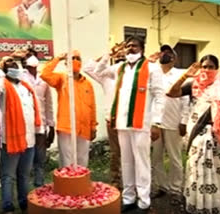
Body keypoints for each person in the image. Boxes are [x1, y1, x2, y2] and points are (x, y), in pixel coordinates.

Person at [100, 36, 165, 213]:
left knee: (141, 162)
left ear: (142, 49)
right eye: (128, 46)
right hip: (122, 123)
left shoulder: (152, 68)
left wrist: (156, 123)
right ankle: (128, 198)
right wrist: (109, 54)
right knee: (126, 162)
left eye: (134, 46)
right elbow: (98, 71)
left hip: (142, 123)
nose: (130, 49)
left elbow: (160, 96)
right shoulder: (120, 68)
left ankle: (143, 202)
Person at [167, 55, 220, 214]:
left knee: (216, 172)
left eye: (210, 67)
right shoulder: (194, 84)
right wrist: (184, 76)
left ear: (216, 68)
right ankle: (196, 205)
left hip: (218, 137)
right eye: (204, 66)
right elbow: (171, 93)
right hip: (197, 135)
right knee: (196, 169)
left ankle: (214, 206)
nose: (207, 70)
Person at [0, 56, 41, 214]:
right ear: (3, 68)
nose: (12, 63)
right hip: (10, 140)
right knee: (8, 176)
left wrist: (40, 132)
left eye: (14, 61)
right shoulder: (2, 85)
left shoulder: (26, 86)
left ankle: (24, 203)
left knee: (24, 175)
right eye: (7, 62)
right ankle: (8, 206)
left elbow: (33, 111)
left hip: (29, 139)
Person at [40, 50, 97, 167]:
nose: (75, 61)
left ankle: (80, 184)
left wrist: (93, 126)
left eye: (78, 58)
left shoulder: (87, 83)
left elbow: (92, 106)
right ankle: (68, 184)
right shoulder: (61, 79)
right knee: (67, 161)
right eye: (72, 58)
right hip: (67, 127)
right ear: (66, 63)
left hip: (84, 128)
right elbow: (44, 74)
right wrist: (58, 59)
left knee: (82, 160)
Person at [82, 43, 124, 190]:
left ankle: (132, 181)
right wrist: (108, 54)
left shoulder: (132, 77)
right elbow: (88, 68)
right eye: (118, 58)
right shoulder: (106, 77)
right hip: (111, 120)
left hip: (129, 120)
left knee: (130, 153)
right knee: (115, 153)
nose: (121, 59)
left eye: (123, 58)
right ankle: (116, 180)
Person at [151, 45, 190, 204]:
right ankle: (162, 186)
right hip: (156, 124)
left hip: (174, 123)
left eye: (168, 52)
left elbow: (185, 100)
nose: (165, 54)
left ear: (174, 57)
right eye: (163, 52)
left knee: (175, 159)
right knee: (156, 158)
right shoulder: (153, 73)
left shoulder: (180, 75)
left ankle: (176, 190)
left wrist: (184, 121)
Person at [21, 50, 55, 187]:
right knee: (26, 160)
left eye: (31, 55)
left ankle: (39, 185)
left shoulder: (43, 78)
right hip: (25, 124)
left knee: (40, 158)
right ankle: (26, 190)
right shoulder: (20, 77)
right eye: (27, 56)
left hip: (41, 124)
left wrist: (51, 126)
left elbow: (49, 104)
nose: (30, 58)